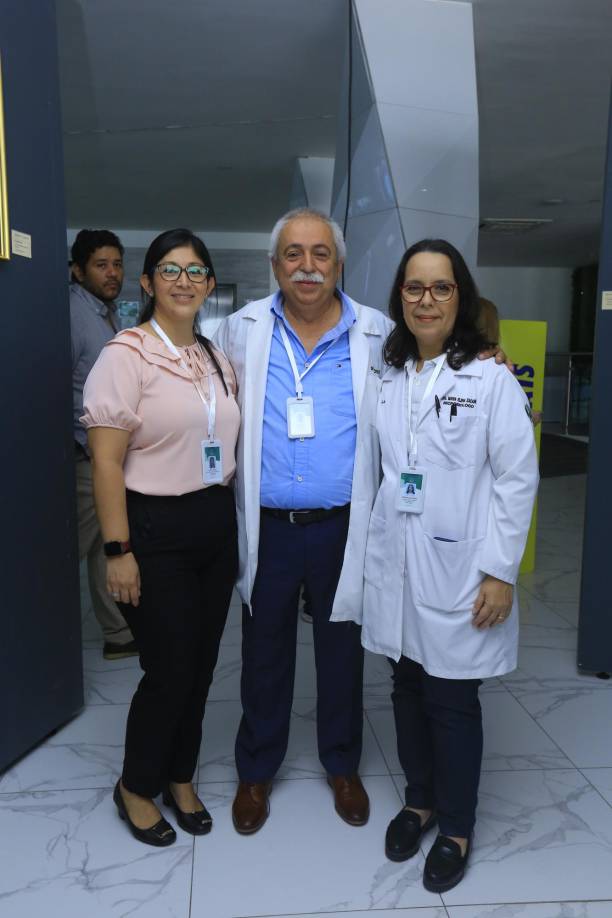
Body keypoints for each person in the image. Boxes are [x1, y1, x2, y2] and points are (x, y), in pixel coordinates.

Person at [332, 239, 538, 892]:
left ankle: (454, 826)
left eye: (440, 287)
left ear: (461, 297)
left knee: (451, 700)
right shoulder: (388, 373)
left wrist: (500, 571)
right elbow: (378, 473)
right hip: (397, 563)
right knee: (405, 688)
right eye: (414, 288)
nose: (426, 299)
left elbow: (516, 478)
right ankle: (419, 800)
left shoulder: (490, 378)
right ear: (400, 296)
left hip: (460, 569)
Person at [213, 208, 393, 833]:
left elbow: (431, 370)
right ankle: (256, 772)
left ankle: (342, 764)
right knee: (264, 652)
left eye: (320, 254)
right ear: (274, 265)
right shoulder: (242, 330)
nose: (307, 266)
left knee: (342, 649)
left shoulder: (377, 332)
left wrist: (489, 355)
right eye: (293, 254)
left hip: (343, 525)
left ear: (338, 264)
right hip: (269, 526)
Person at [81, 228, 240, 846]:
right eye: (170, 270)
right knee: (168, 668)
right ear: (147, 284)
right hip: (153, 528)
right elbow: (105, 463)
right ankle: (135, 785)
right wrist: (118, 551)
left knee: (200, 667)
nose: (184, 280)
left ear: (208, 284)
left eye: (196, 271)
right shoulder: (125, 354)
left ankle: (180, 774)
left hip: (213, 526)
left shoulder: (217, 358)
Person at [70, 229, 137, 660]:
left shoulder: (106, 314)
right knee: (69, 550)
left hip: (101, 454)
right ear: (77, 270)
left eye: (116, 264)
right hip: (81, 456)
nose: (112, 273)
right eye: (101, 265)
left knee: (101, 548)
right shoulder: (72, 314)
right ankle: (33, 637)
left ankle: (117, 634)